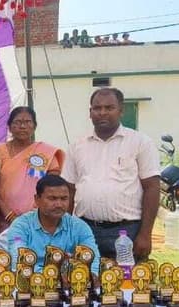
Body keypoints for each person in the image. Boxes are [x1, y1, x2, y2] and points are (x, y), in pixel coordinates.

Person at [61, 87, 160, 260]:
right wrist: (66, 231)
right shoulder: (77, 146)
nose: (102, 113)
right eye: (97, 108)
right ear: (90, 112)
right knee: (84, 277)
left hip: (127, 232)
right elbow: (69, 190)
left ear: (121, 110)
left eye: (109, 108)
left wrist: (145, 233)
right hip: (84, 229)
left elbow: (152, 187)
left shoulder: (140, 142)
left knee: (126, 278)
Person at [6, 175, 100, 273]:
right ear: (37, 199)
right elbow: (19, 262)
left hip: (69, 281)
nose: (59, 204)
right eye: (52, 198)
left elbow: (94, 263)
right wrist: (56, 276)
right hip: (30, 281)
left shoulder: (79, 227)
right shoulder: (21, 226)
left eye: (64, 199)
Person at [0, 106, 64, 231]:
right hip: (6, 221)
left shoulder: (44, 152)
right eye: (18, 122)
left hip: (39, 220)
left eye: (27, 122)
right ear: (9, 127)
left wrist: (37, 214)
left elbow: (53, 188)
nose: (23, 126)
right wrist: (9, 215)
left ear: (34, 126)